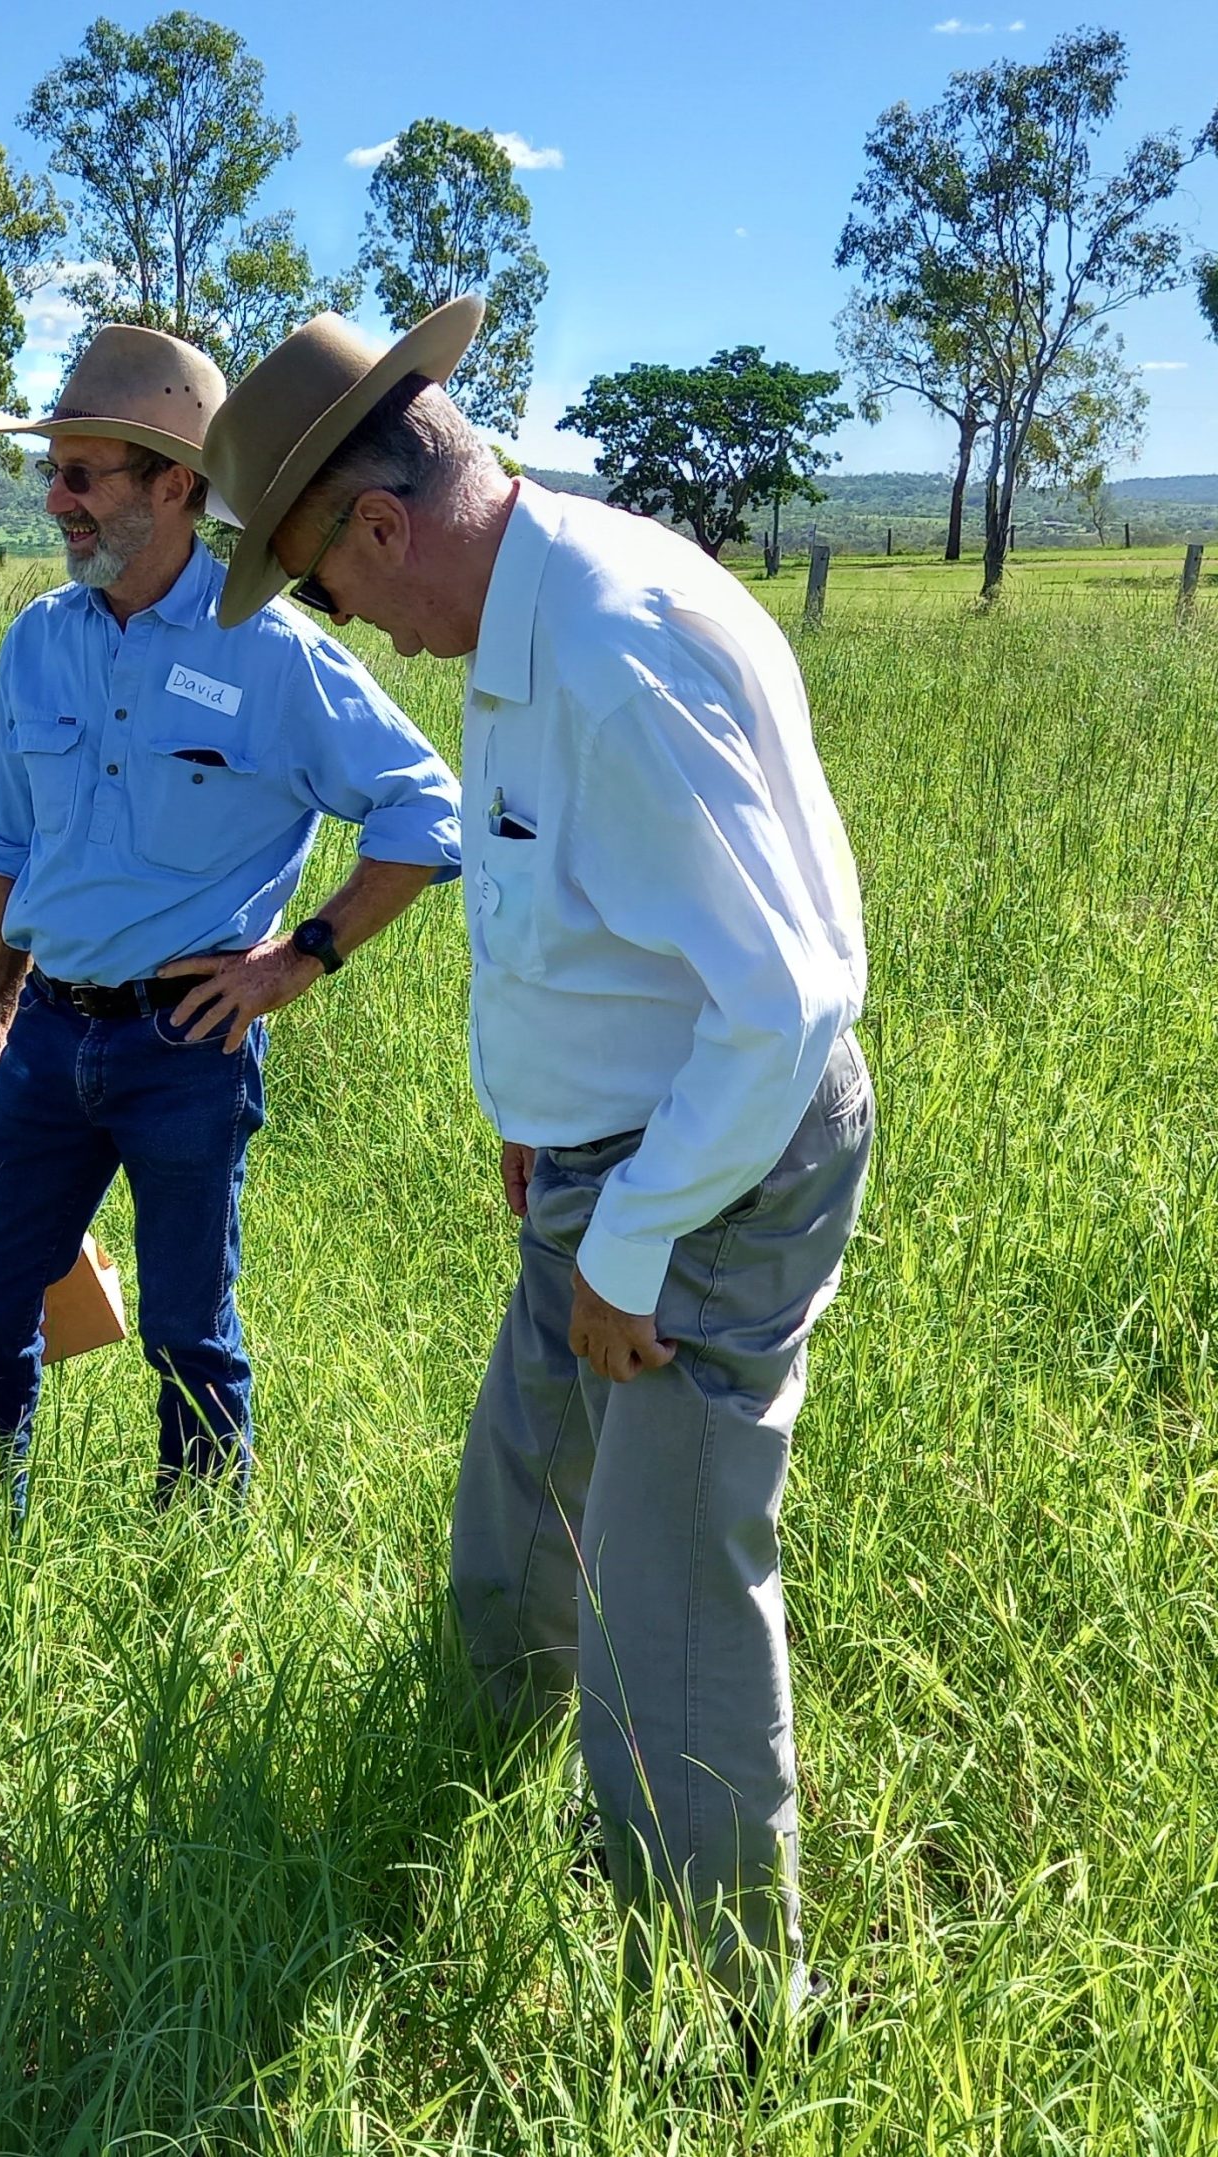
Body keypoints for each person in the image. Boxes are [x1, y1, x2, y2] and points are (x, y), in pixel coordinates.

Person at [205, 301, 872, 2015]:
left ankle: (722, 2006)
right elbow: (563, 902)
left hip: (702, 1179)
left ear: (375, 521)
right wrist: (540, 1123)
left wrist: (630, 1245)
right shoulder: (521, 608)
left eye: (323, 581)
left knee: (674, 1597)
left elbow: (782, 1006)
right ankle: (475, 1775)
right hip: (608, 1166)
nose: (338, 619)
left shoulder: (609, 649)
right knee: (520, 1509)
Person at [0, 326, 462, 1515]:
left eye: (83, 474)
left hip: (190, 1044)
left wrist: (294, 961)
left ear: (175, 483)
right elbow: (5, 852)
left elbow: (424, 805)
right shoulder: (36, 643)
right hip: (45, 1043)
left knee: (186, 1328)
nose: (56, 501)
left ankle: (191, 1569)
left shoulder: (269, 651)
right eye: (52, 472)